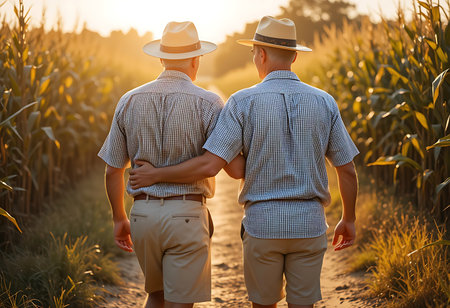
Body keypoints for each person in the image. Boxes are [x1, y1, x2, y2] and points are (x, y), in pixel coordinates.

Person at [130, 16, 359, 308]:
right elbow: (347, 169)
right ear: (295, 56)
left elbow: (216, 164)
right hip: (309, 225)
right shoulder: (325, 102)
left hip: (262, 226)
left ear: (261, 54)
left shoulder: (241, 102)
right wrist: (348, 219)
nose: (254, 57)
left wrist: (259, 155)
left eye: (253, 52)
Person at [98, 21, 244, 308]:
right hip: (187, 214)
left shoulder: (128, 100)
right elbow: (219, 166)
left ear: (162, 57)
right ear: (196, 59)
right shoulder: (210, 103)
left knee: (155, 296)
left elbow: (112, 168)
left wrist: (119, 218)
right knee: (180, 302)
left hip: (142, 215)